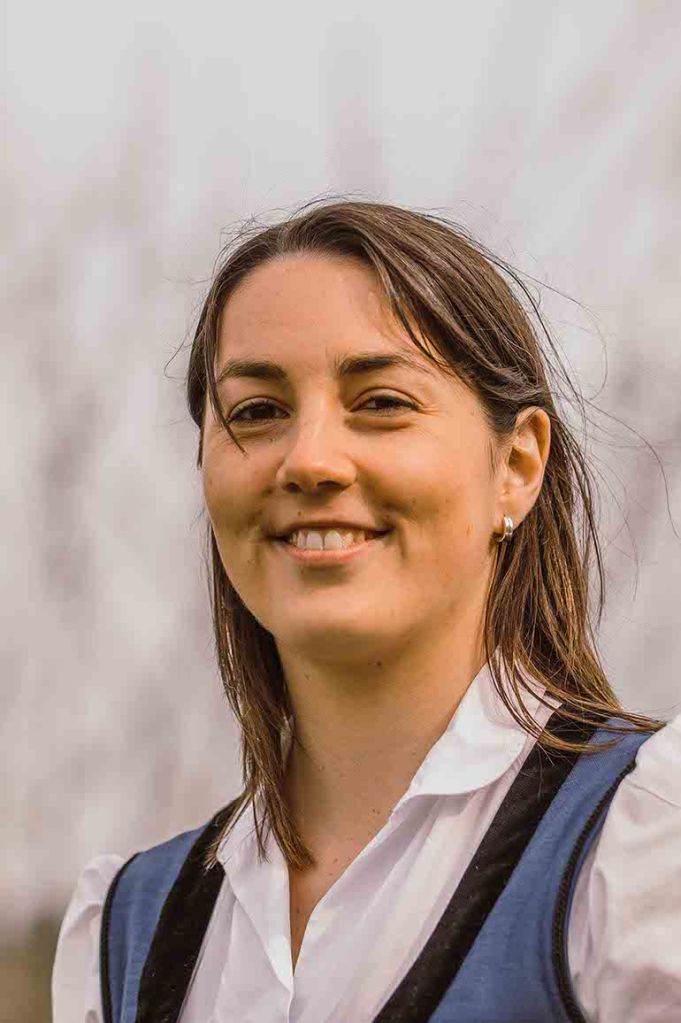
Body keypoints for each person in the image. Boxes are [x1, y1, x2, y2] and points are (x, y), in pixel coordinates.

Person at [52, 200, 681, 1022]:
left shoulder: (644, 841)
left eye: (381, 401)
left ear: (517, 465)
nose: (310, 460)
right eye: (256, 411)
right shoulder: (124, 934)